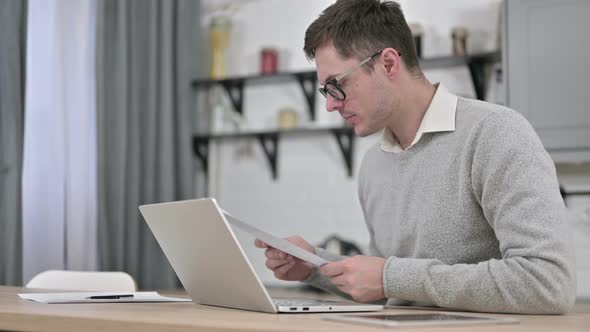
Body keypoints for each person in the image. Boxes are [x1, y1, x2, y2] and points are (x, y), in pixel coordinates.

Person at [255, 0, 576, 314]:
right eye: (326, 91)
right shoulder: (374, 165)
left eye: (337, 85)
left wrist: (389, 277)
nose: (331, 105)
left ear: (389, 63)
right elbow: (388, 290)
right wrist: (314, 266)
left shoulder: (494, 133)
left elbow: (548, 283)